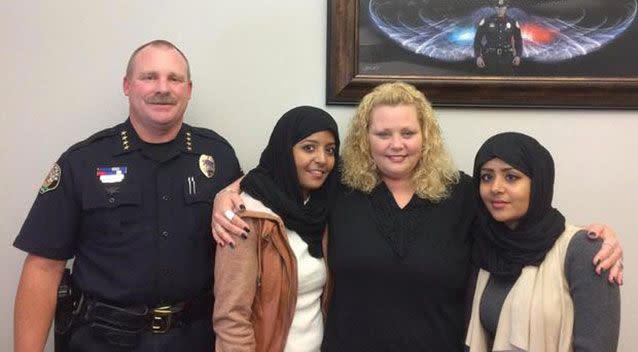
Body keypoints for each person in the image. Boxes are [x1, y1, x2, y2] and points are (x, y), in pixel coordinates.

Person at [211, 82, 623, 351]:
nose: (396, 145)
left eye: (408, 133)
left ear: (426, 137)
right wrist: (226, 194)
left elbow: (521, 222)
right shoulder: (340, 188)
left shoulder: (462, 194)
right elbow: (277, 183)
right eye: (383, 134)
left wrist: (592, 237)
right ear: (364, 139)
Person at [13, 40, 242, 351]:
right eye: (149, 77)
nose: (163, 88)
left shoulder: (218, 157)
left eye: (174, 79)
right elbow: (43, 267)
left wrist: (234, 187)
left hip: (197, 338)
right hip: (103, 340)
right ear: (127, 85)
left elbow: (247, 244)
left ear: (188, 89)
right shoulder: (82, 162)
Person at [466, 132, 620, 351]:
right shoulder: (485, 246)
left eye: (511, 177)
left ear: (538, 183)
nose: (495, 188)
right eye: (486, 177)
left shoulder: (584, 250)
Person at [213, 106, 339, 352]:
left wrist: (226, 190)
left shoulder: (321, 209)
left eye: (330, 150)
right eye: (309, 147)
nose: (322, 159)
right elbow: (231, 318)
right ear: (284, 151)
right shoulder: (247, 216)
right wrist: (226, 194)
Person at [474, 0, 523, 75]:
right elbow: (477, 39)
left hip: (507, 58)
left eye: (502, 8)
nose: (500, 10)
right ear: (495, 8)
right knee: (490, 83)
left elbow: (518, 40)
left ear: (506, 7)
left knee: (506, 83)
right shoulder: (487, 21)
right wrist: (478, 56)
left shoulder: (512, 22)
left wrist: (518, 56)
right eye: (498, 8)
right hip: (490, 58)